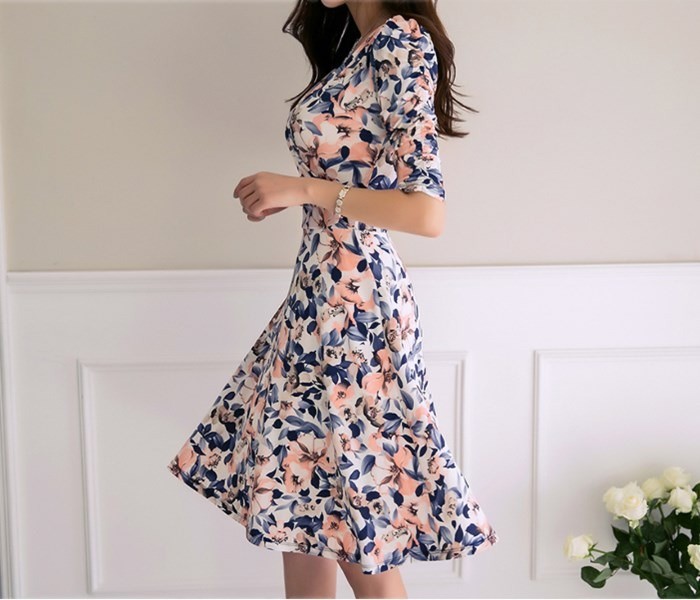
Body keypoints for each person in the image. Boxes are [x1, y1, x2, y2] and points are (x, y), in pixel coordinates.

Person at [167, 1, 499, 597]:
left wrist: (303, 188)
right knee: (302, 505)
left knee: (354, 516)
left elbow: (426, 213)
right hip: (319, 296)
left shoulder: (400, 42)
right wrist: (299, 195)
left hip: (356, 310)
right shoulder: (360, 48)